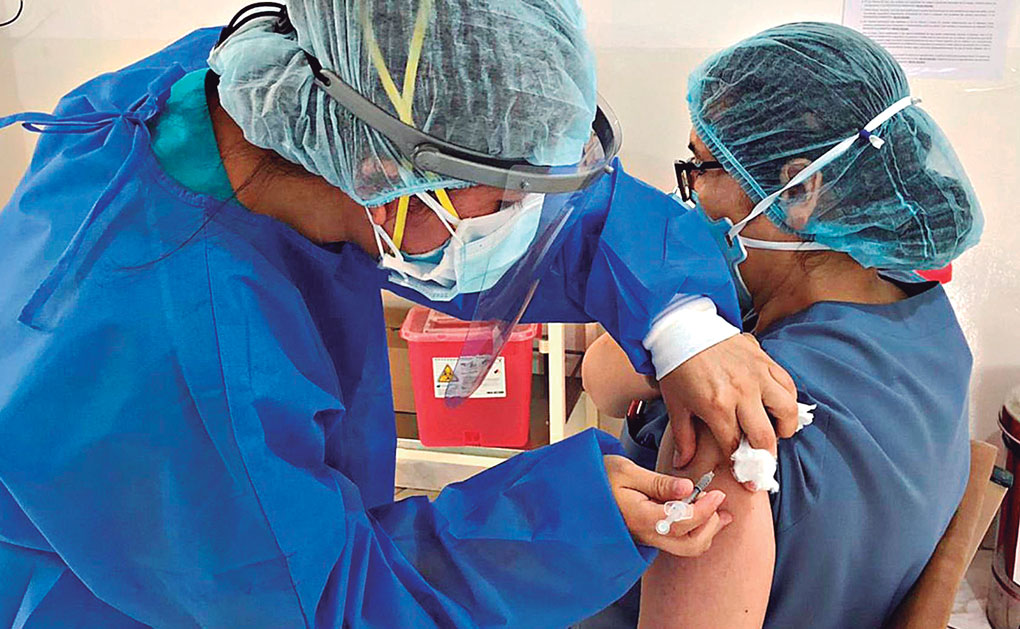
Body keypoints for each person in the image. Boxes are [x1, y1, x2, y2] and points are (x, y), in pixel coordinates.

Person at [0, 1, 802, 626]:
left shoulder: (282, 90)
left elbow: (533, 183)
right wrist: (568, 517)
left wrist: (680, 318)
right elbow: (327, 601)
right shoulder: (179, 364)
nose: (526, 219)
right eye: (509, 199)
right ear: (385, 177)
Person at [581, 22, 982, 629]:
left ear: (801, 189)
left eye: (702, 166)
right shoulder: (923, 313)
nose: (688, 195)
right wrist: (683, 329)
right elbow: (603, 379)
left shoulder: (727, 424)